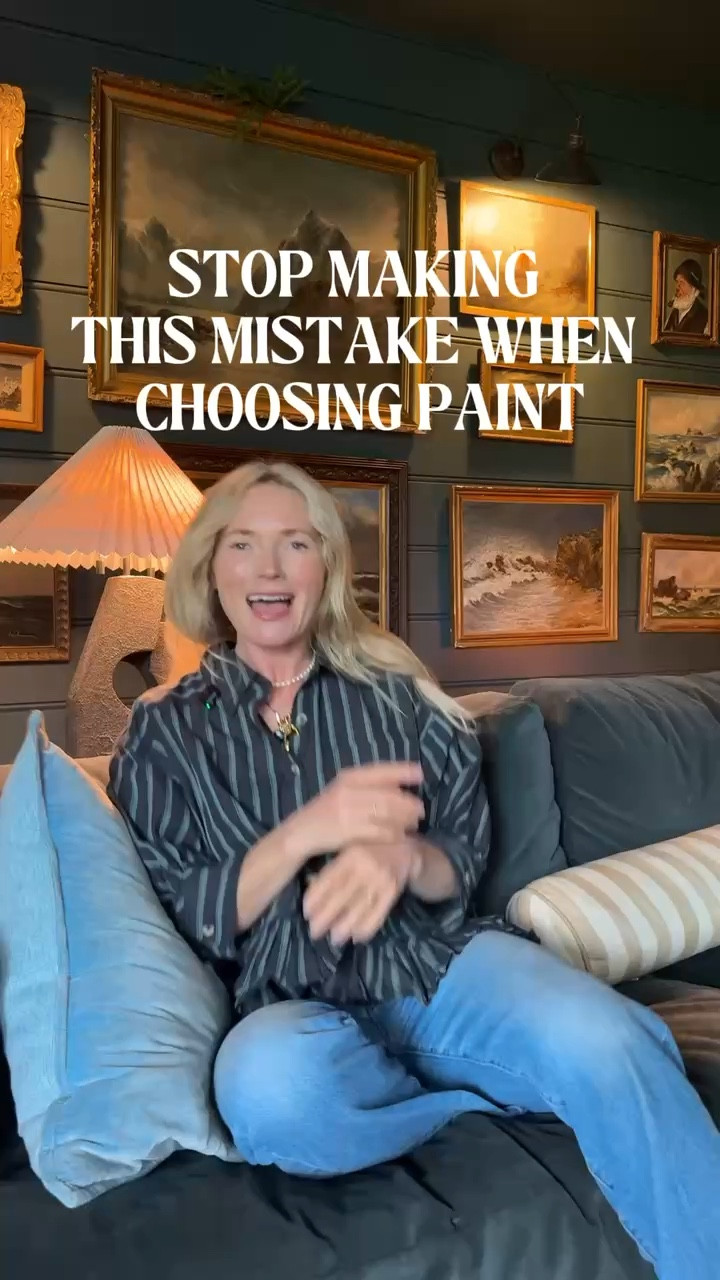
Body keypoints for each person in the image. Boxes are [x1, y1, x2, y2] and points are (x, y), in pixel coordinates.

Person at [108, 459, 720, 1280]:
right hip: (287, 1004)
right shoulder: (164, 732)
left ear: (327, 565)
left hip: (437, 968)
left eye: (296, 543)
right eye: (242, 544)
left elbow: (458, 865)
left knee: (611, 1038)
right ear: (209, 567)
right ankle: (464, 1103)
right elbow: (196, 911)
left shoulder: (396, 695)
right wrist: (307, 832)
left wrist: (403, 856)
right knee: (269, 1095)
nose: (268, 568)